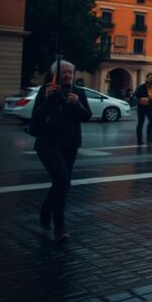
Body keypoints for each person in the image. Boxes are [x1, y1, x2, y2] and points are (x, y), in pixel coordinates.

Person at [31, 60, 91, 242]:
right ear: (56, 74)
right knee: (62, 179)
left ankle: (46, 207)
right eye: (64, 72)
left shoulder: (78, 92)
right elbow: (36, 119)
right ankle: (60, 227)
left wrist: (78, 105)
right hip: (48, 143)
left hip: (70, 144)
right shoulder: (46, 91)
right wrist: (48, 100)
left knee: (62, 184)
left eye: (70, 72)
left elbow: (87, 116)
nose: (68, 75)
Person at [134, 73, 152, 145]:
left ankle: (149, 138)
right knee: (141, 122)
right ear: (147, 78)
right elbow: (136, 96)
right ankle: (139, 140)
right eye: (151, 77)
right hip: (142, 106)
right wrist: (141, 99)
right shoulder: (141, 87)